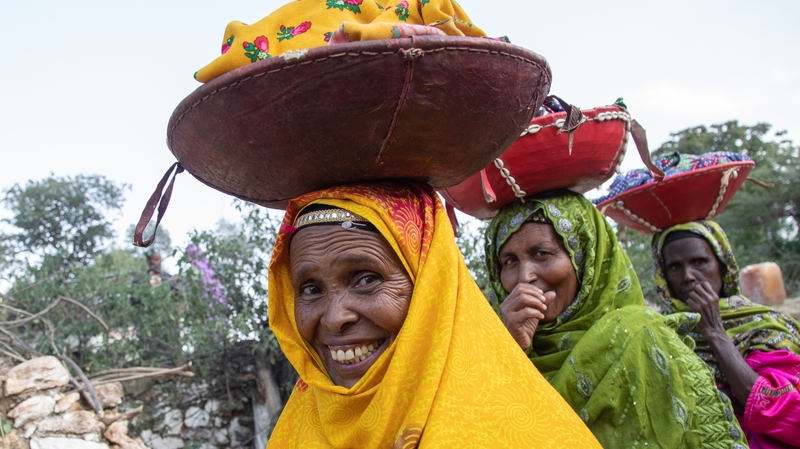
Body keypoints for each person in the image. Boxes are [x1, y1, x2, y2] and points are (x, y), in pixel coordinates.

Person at [266, 181, 600, 448]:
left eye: (367, 279)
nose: (335, 317)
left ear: (432, 288)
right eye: (310, 288)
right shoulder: (302, 425)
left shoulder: (513, 431)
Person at [485, 191, 747, 448]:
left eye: (542, 253)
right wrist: (510, 354)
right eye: (509, 261)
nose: (524, 277)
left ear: (588, 260)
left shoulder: (641, 337)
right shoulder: (491, 355)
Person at [653, 220, 800, 448]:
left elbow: (787, 414)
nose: (688, 276)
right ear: (664, 277)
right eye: (674, 267)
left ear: (722, 266)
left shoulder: (764, 326)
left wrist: (714, 331)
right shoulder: (658, 333)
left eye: (699, 262)